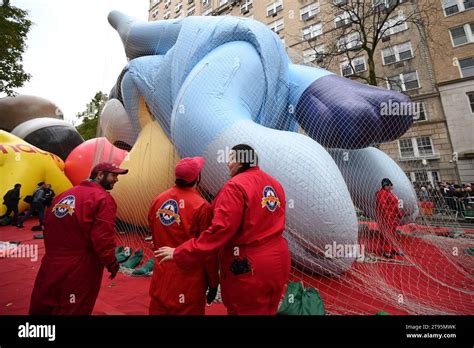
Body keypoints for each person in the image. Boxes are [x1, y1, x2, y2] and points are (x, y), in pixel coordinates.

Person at [156, 144, 290, 315]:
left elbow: (220, 230)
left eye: (231, 159)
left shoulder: (235, 187)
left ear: (241, 162)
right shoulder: (275, 184)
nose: (227, 163)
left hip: (249, 265)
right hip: (278, 259)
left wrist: (181, 252)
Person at [29, 162, 128, 315]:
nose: (116, 180)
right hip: (81, 266)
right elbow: (103, 238)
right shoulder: (102, 199)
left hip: (51, 264)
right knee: (75, 307)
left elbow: (47, 226)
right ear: (100, 175)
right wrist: (111, 262)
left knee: (44, 305)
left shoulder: (64, 195)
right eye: (113, 175)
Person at [148, 157, 219, 315]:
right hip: (188, 281)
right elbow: (207, 251)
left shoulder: (158, 200)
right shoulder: (202, 207)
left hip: (161, 276)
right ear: (197, 177)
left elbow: (153, 234)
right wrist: (214, 282)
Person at [375, 178, 404, 258]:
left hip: (392, 218)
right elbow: (382, 206)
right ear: (386, 185)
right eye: (390, 185)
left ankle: (392, 248)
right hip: (387, 218)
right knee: (387, 235)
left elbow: (394, 206)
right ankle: (387, 250)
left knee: (392, 234)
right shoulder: (382, 194)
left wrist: (399, 214)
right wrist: (387, 217)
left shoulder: (388, 193)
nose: (391, 187)